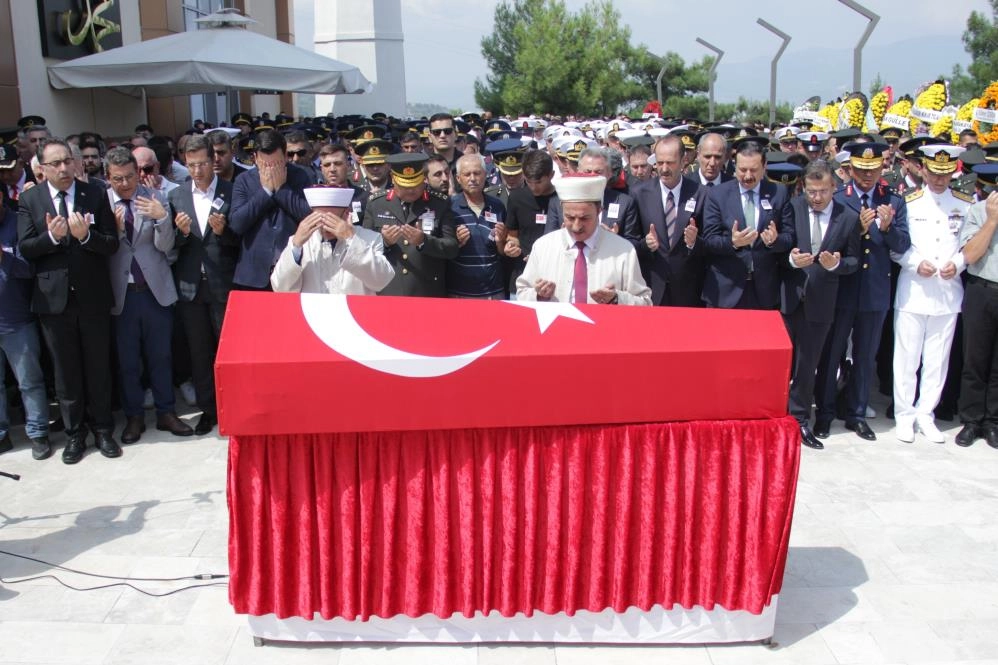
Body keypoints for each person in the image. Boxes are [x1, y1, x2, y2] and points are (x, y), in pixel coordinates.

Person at [17, 138, 120, 464]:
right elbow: (26, 248)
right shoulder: (31, 199)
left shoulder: (95, 193)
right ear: (42, 167)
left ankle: (103, 429)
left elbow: (111, 243)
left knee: (98, 368)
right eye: (55, 164)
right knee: (66, 372)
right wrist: (52, 237)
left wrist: (85, 236)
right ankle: (75, 434)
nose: (63, 169)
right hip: (54, 301)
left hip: (92, 297)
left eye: (67, 161)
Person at [815, 142, 911, 442]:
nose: (867, 175)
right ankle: (825, 413)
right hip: (843, 288)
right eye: (860, 169)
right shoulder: (839, 198)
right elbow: (827, 241)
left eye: (873, 169)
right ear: (850, 168)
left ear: (882, 167)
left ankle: (856, 414)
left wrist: (887, 228)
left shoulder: (892, 200)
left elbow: (903, 245)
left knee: (866, 356)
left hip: (874, 290)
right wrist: (855, 230)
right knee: (832, 354)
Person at [103, 147, 192, 444]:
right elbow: (104, 249)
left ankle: (167, 412)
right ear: (108, 177)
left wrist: (162, 218)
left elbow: (166, 247)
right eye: (118, 179)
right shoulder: (102, 203)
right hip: (122, 294)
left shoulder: (155, 197)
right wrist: (114, 229)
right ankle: (134, 416)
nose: (126, 183)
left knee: (161, 356)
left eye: (130, 176)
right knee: (128, 361)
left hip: (155, 292)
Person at [891, 145, 973, 444]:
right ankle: (904, 414)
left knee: (937, 361)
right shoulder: (908, 202)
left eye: (945, 174)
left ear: (953, 173)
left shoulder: (965, 203)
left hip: (947, 292)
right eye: (935, 173)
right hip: (914, 290)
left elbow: (970, 243)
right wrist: (914, 263)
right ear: (923, 170)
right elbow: (896, 245)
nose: (940, 180)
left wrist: (959, 264)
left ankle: (926, 414)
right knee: (907, 358)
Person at [781, 160, 861, 450]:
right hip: (790, 298)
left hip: (821, 302)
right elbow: (780, 247)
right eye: (811, 191)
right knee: (782, 362)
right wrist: (791, 259)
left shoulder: (848, 218)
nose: (816, 198)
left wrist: (837, 265)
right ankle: (777, 415)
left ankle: (800, 419)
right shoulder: (793, 208)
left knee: (807, 365)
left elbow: (854, 261)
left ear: (834, 188)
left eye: (823, 192)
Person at [168, 135, 238, 436]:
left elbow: (241, 240)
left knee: (227, 352)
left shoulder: (232, 191)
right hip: (191, 287)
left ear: (214, 161)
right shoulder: (177, 196)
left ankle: (233, 409)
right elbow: (172, 245)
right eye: (191, 165)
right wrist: (181, 233)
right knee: (199, 353)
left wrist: (224, 233)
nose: (197, 171)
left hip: (223, 283)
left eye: (202, 164)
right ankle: (208, 411)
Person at [516, 174, 651, 305]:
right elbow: (522, 293)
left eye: (584, 218)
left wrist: (616, 299)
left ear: (599, 211)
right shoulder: (543, 246)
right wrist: (539, 296)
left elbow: (644, 302)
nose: (577, 226)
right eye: (570, 218)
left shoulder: (623, 250)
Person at [701, 138, 792, 309]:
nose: (748, 176)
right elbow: (709, 240)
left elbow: (789, 237)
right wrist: (733, 243)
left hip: (764, 291)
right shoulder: (718, 195)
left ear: (764, 167)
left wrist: (775, 241)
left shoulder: (778, 193)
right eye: (743, 170)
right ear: (734, 166)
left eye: (754, 170)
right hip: (726, 290)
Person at [362, 153, 458, 297]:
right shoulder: (376, 203)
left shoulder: (439, 203)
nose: (411, 190)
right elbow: (363, 249)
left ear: (424, 179)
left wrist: (424, 241)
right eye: (405, 186)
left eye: (416, 184)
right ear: (393, 179)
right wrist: (384, 242)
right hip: (389, 291)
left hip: (427, 292)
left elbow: (451, 248)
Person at [630, 135, 708, 307]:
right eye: (660, 163)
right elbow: (630, 242)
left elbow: (710, 243)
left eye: (670, 163)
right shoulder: (638, 193)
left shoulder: (701, 193)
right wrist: (645, 244)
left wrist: (694, 242)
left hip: (688, 290)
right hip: (651, 287)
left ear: (683, 161)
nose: (664, 169)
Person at [229, 129, 312, 290]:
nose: (271, 169)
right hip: (253, 274)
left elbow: (307, 215)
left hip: (292, 270)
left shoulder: (300, 176)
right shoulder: (243, 180)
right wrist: (266, 191)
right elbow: (237, 223)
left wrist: (281, 189)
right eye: (266, 164)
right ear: (255, 158)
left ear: (285, 156)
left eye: (277, 164)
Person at [271, 186, 394, 294]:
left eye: (332, 220)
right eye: (320, 219)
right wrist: (296, 246)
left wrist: (351, 239)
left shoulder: (370, 239)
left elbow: (381, 281)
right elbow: (280, 287)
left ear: (347, 214)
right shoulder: (302, 242)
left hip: (353, 312)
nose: (325, 226)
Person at [0, 202, 50, 459]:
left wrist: (3, 257)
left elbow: (30, 269)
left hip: (17, 320)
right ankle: (1, 435)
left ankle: (38, 432)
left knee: (29, 381)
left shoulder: (17, 223)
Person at [954, 170, 998, 447]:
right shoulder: (980, 210)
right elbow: (970, 254)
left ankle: (992, 421)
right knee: (975, 360)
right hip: (982, 289)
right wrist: (992, 220)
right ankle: (971, 421)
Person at [447, 154, 507, 299]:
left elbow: (503, 251)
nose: (472, 178)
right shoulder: (449, 207)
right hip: (459, 293)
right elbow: (443, 248)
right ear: (458, 178)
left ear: (485, 175)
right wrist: (456, 242)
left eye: (477, 173)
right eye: (467, 174)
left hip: (493, 292)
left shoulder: (497, 206)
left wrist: (501, 242)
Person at [504, 149, 562, 294]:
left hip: (555, 276)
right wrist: (511, 246)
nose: (534, 187)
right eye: (529, 182)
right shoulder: (516, 198)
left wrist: (541, 256)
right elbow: (512, 235)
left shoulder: (562, 199)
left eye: (539, 182)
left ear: (551, 175)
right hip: (523, 275)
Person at [577, 147, 639, 238]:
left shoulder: (625, 203)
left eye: (598, 172)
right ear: (578, 172)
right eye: (588, 171)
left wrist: (614, 240)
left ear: (609, 174)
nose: (593, 176)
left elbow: (634, 241)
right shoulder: (561, 201)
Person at [316, 143, 368, 224]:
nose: (332, 169)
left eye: (338, 164)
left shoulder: (364, 197)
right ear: (321, 169)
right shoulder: (315, 198)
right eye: (327, 165)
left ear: (348, 165)